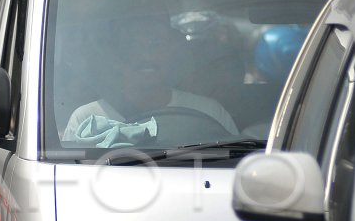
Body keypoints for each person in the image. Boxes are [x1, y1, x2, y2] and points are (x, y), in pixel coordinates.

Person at [62, 14, 237, 142]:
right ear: (116, 59)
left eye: (156, 45)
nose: (146, 56)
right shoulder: (87, 119)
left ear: (172, 55)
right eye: (133, 46)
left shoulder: (208, 112)